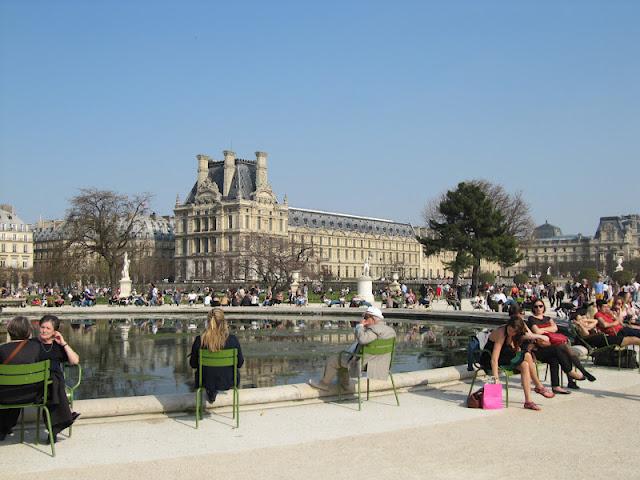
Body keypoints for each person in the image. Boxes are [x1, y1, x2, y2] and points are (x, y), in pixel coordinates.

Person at [480, 311, 554, 411]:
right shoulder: (501, 333)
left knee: (524, 365)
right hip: (489, 359)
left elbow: (528, 335)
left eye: (514, 332)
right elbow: (494, 358)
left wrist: (539, 336)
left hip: (505, 357)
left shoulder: (516, 333)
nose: (512, 333)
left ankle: (528, 401)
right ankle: (538, 386)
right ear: (508, 325)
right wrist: (495, 378)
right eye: (510, 329)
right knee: (527, 355)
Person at [308, 306, 395, 390]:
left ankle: (324, 384)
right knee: (344, 358)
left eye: (365, 317)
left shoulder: (374, 330)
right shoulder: (391, 331)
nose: (363, 319)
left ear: (372, 318)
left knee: (333, 360)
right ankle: (345, 384)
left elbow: (362, 339)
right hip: (382, 364)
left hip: (366, 364)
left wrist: (359, 326)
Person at [527, 300, 595, 392]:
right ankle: (573, 373)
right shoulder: (532, 319)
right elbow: (537, 332)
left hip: (552, 347)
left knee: (557, 355)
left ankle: (557, 386)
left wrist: (543, 329)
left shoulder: (548, 318)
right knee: (560, 348)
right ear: (533, 308)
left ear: (544, 307)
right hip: (540, 349)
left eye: (540, 306)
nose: (538, 308)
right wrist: (548, 329)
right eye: (536, 306)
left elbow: (555, 328)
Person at [37, 314, 80, 442]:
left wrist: (64, 343)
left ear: (55, 331)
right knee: (54, 384)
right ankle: (63, 421)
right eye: (42, 327)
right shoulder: (34, 344)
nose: (44, 330)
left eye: (48, 328)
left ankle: (55, 428)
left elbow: (75, 361)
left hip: (52, 385)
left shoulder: (58, 346)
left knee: (54, 384)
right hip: (37, 384)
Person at [0, 316, 42, 441]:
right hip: (30, 395)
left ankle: (4, 427)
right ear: (29, 332)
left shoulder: (2, 350)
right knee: (18, 386)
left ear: (9, 331)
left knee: (9, 387)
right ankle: (6, 426)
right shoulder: (36, 348)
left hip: (5, 397)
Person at [189, 308, 244, 403]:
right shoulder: (232, 339)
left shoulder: (200, 340)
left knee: (208, 373)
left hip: (204, 380)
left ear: (208, 322)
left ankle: (211, 390)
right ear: (224, 322)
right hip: (228, 381)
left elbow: (193, 364)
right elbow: (239, 363)